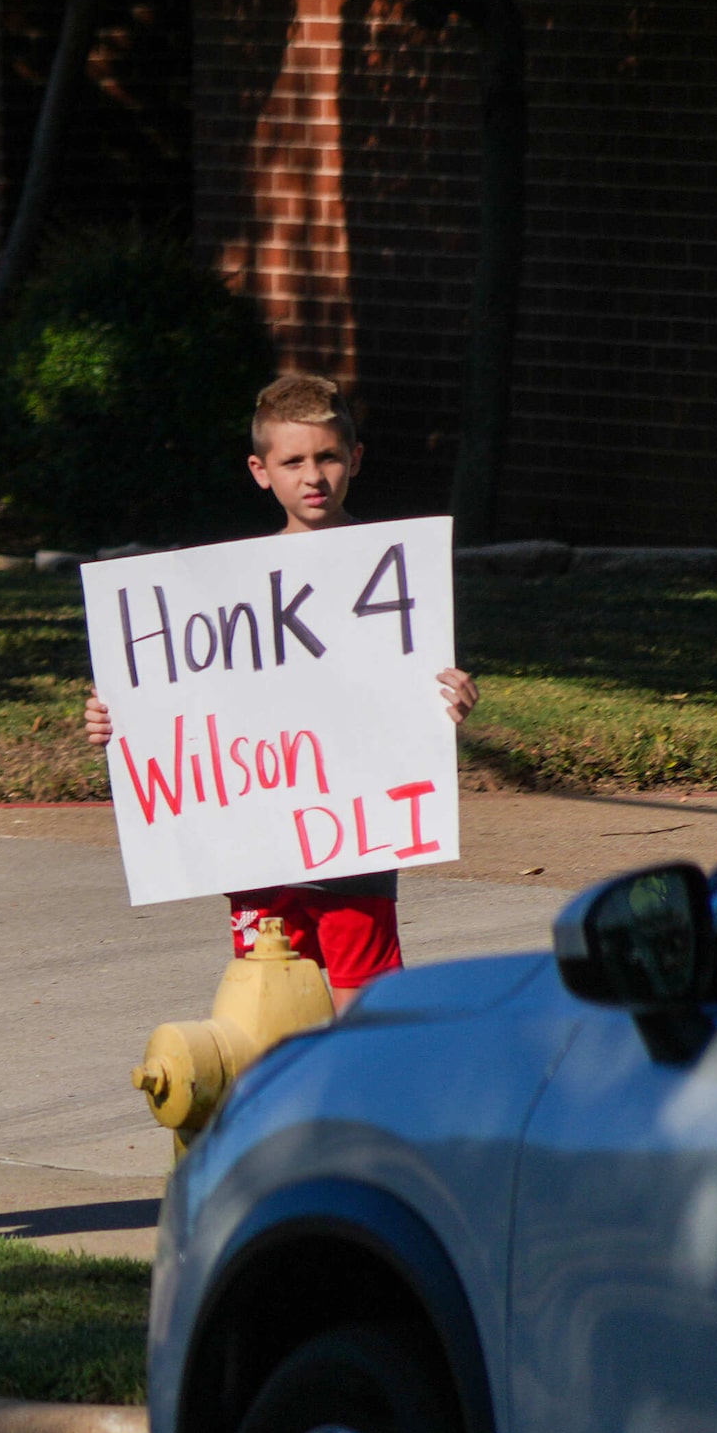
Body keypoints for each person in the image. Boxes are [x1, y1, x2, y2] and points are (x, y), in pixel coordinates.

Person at [83, 375, 478, 1010]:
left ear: (355, 459)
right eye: (292, 461)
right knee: (267, 1014)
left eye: (326, 456)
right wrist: (119, 716)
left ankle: (363, 1111)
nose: (312, 475)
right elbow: (178, 694)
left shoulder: (396, 573)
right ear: (260, 470)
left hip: (358, 844)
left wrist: (450, 700)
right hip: (257, 849)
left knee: (367, 1018)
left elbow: (413, 690)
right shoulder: (222, 589)